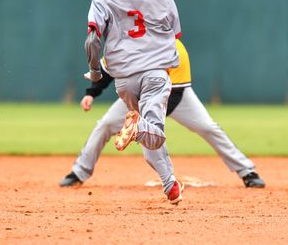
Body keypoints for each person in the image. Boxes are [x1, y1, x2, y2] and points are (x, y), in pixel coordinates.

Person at [61, 39, 266, 191]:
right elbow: (107, 71)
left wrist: (146, 124)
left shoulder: (175, 49)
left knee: (207, 127)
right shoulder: (128, 42)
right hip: (136, 96)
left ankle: (247, 171)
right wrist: (91, 94)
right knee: (105, 124)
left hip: (177, 96)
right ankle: (79, 172)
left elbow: (173, 94)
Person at [82, 0, 184, 204]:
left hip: (124, 81)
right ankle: (137, 128)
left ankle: (170, 185)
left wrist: (94, 72)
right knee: (151, 132)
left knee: (150, 132)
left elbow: (92, 40)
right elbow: (175, 36)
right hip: (155, 76)